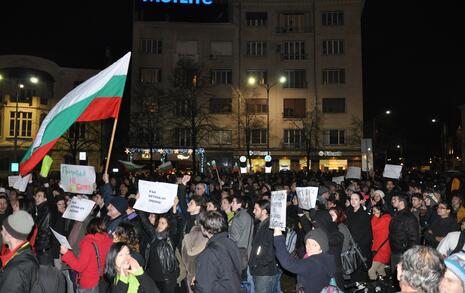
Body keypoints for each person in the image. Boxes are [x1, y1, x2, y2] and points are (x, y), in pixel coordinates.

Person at [273, 227, 336, 293]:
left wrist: (278, 236)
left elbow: (287, 263)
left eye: (314, 245)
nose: (309, 247)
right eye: (307, 243)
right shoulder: (326, 258)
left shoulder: (313, 263)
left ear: (322, 247)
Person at [60, 217, 113, 292]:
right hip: (101, 281)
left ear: (89, 227)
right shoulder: (109, 241)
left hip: (89, 283)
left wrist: (66, 253)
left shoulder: (88, 243)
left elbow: (79, 267)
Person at [195, 210, 241, 292]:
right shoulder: (230, 243)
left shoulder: (208, 253)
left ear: (205, 228)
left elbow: (205, 287)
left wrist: (195, 284)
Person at [0, 210, 38, 292]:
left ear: (9, 234)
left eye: (3, 229)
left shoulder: (15, 271)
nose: (1, 232)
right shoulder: (27, 253)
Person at [248, 200, 278, 293]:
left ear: (264, 211)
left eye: (256, 209)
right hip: (259, 270)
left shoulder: (270, 227)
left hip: (265, 272)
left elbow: (271, 251)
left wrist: (258, 263)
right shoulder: (260, 225)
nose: (253, 211)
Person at [346, 193, 372, 281]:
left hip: (360, 248)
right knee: (353, 273)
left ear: (361, 201)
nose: (353, 201)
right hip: (351, 247)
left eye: (356, 199)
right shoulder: (349, 211)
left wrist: (359, 247)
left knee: (359, 274)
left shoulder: (364, 215)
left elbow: (368, 234)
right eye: (351, 199)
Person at [389, 194, 419, 270]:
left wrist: (406, 253)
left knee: (402, 276)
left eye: (395, 199)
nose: (393, 201)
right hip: (395, 251)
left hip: (402, 253)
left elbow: (414, 238)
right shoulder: (397, 214)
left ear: (401, 202)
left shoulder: (409, 217)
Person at [368, 203, 391, 280]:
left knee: (371, 271)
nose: (373, 213)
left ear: (381, 211)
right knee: (380, 270)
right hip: (380, 247)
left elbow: (374, 228)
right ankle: (385, 285)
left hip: (382, 248)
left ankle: (374, 287)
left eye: (375, 211)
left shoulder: (386, 218)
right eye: (373, 211)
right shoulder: (383, 218)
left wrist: (375, 217)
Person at [33, 189, 53, 265]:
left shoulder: (46, 210)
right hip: (41, 249)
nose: (36, 198)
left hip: (43, 250)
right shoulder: (40, 209)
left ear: (45, 198)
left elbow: (43, 231)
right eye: (36, 196)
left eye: (39, 196)